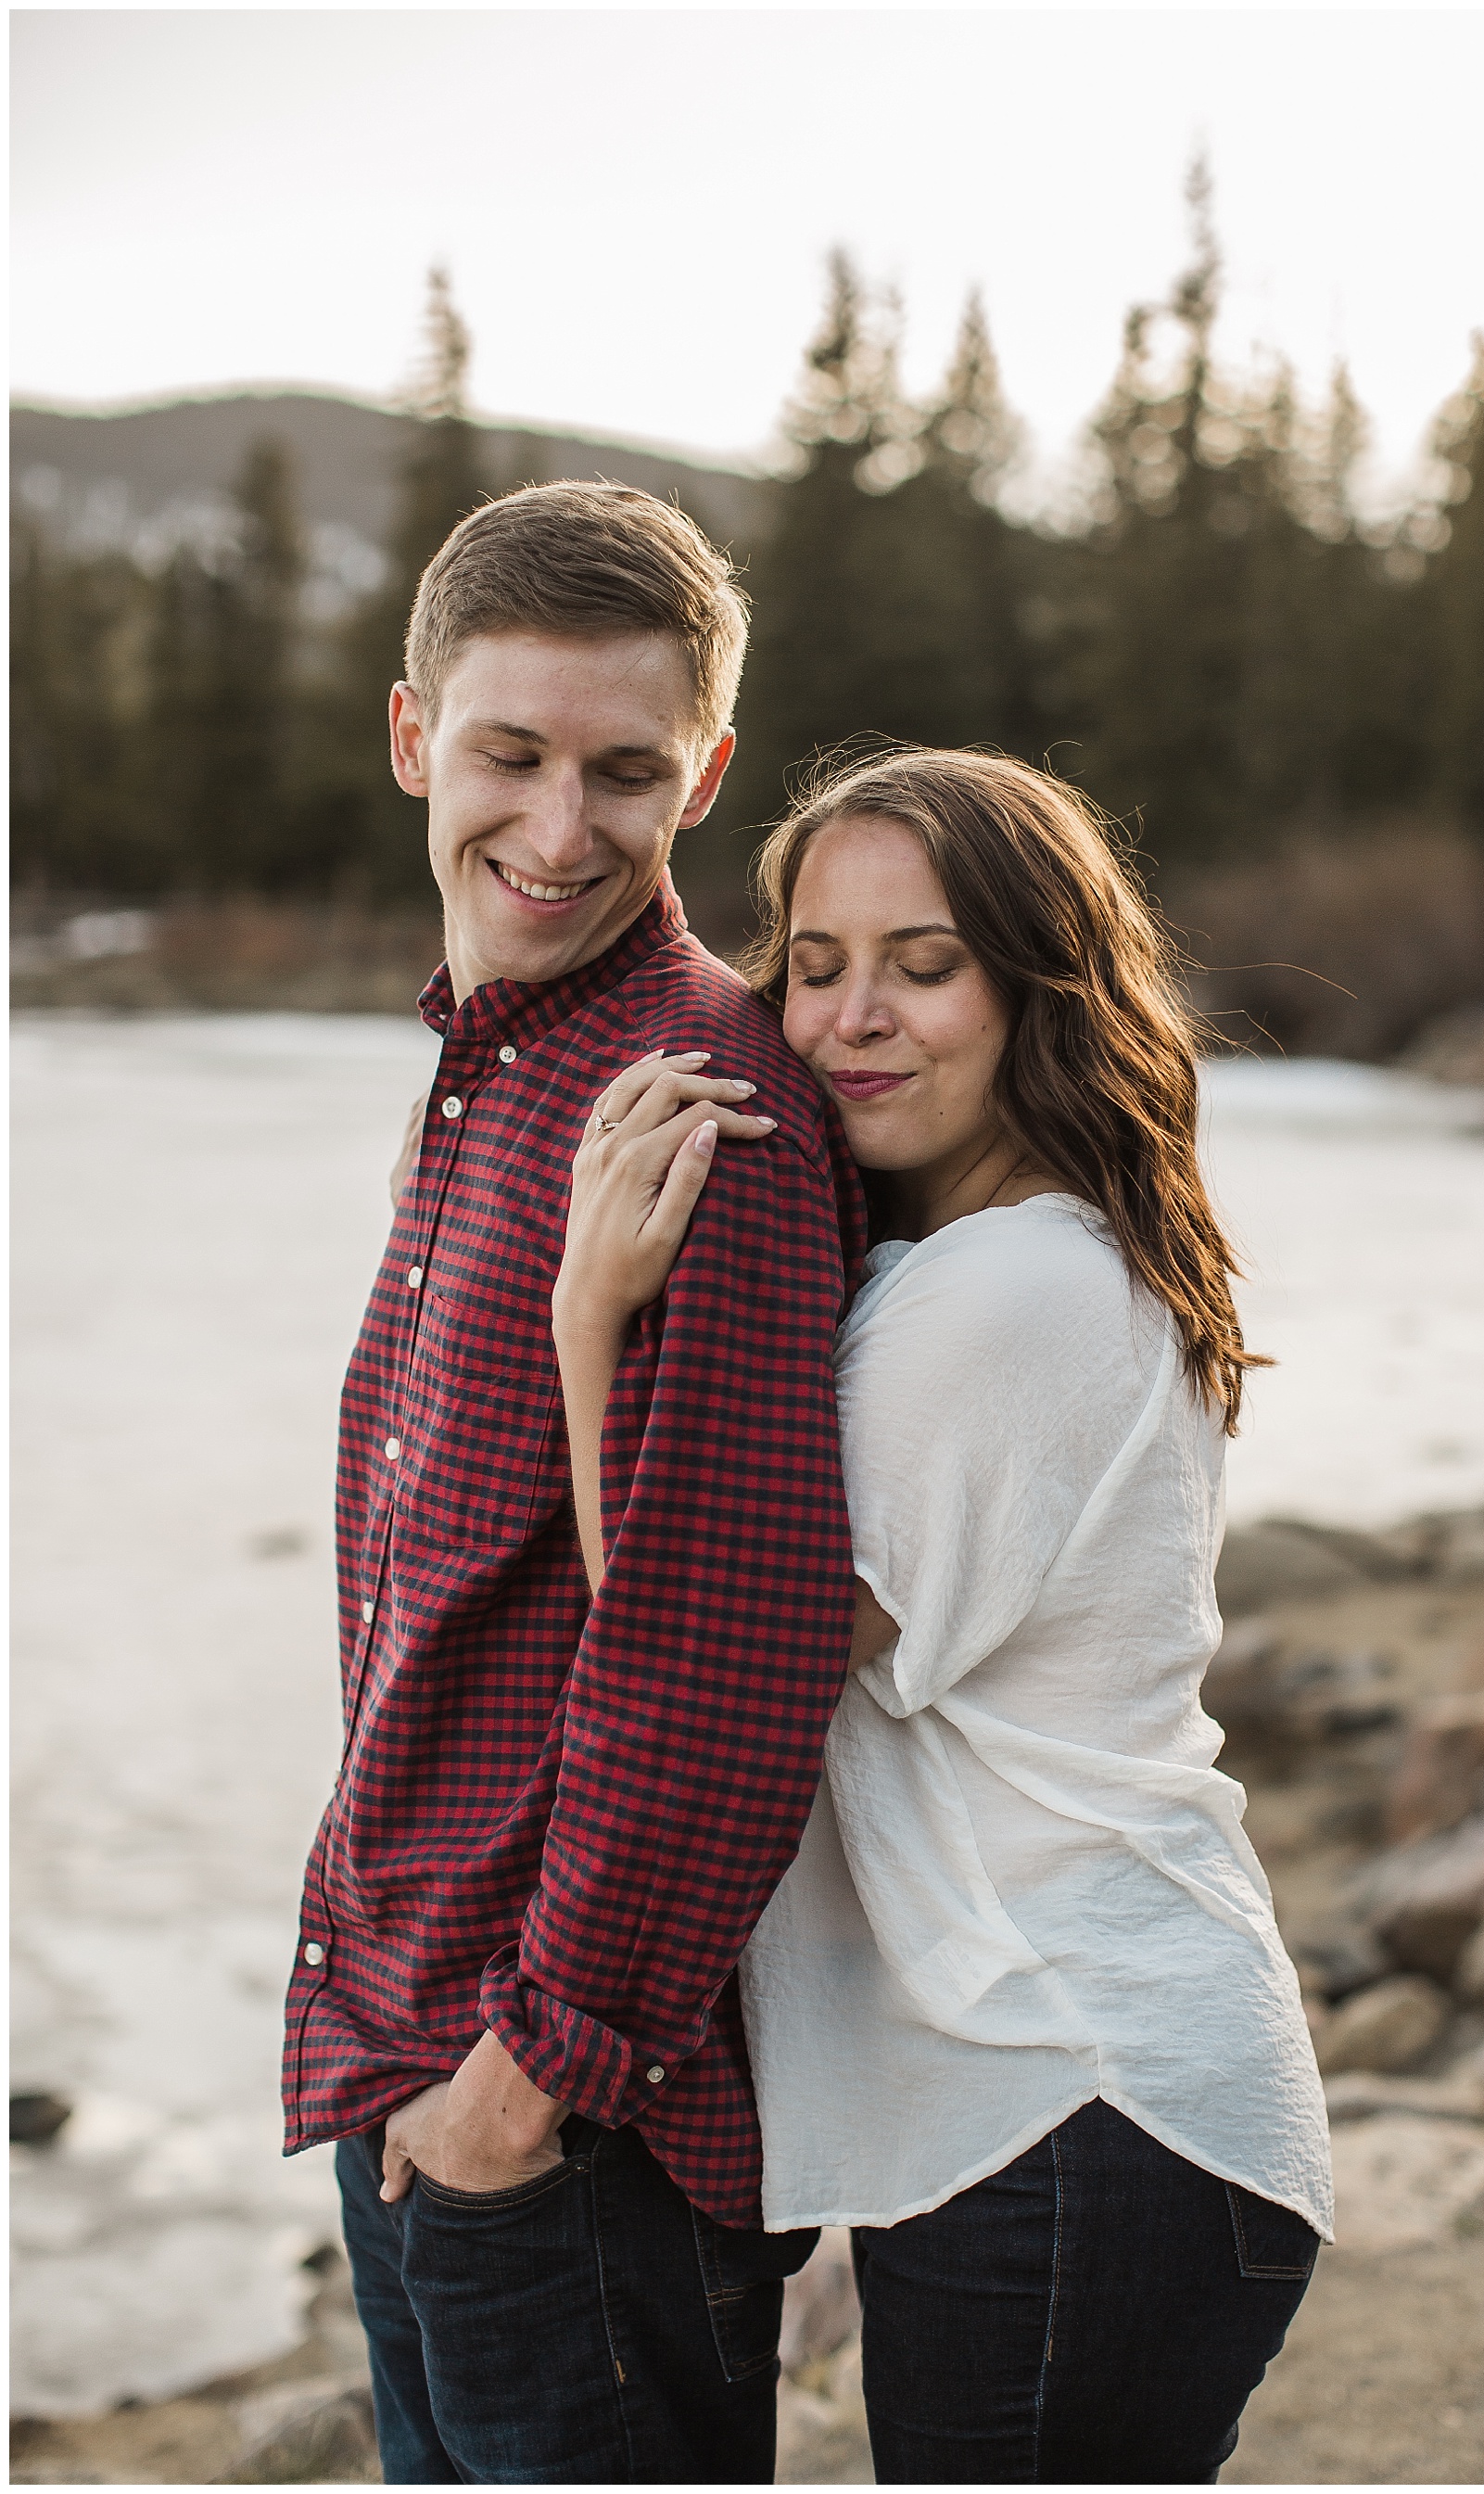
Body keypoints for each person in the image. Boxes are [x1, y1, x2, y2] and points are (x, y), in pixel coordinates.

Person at [552, 747, 1335, 2486]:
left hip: (1081, 2094)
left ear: (1037, 983)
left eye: (925, 962)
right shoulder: (965, 1261)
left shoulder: (1015, 1288)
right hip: (1070, 2101)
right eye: (816, 963)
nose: (851, 1018)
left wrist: (589, 1315)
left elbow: (707, 1656)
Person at [283, 481, 870, 2485]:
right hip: (418, 2064)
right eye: (507, 752)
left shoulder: (700, 1116)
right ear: (411, 735)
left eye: (625, 770)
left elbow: (724, 1663)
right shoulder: (491, 1080)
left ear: (703, 774)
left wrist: (520, 2090)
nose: (557, 826)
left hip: (566, 2131)